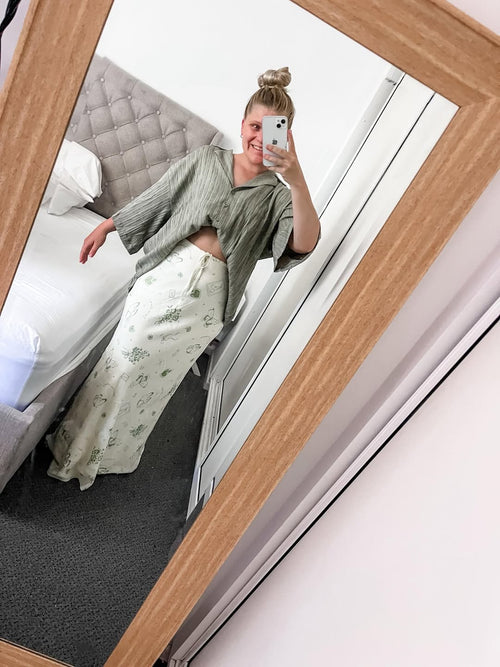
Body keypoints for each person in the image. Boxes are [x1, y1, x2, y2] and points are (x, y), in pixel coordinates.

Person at [47, 67, 321, 490]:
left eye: (272, 131)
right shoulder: (208, 159)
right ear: (243, 124)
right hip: (165, 277)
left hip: (208, 304)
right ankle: (75, 447)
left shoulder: (280, 197)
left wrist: (297, 179)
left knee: (157, 383)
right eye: (254, 126)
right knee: (123, 362)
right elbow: (161, 195)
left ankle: (115, 457)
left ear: (286, 137)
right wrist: (106, 226)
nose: (259, 138)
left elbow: (302, 244)